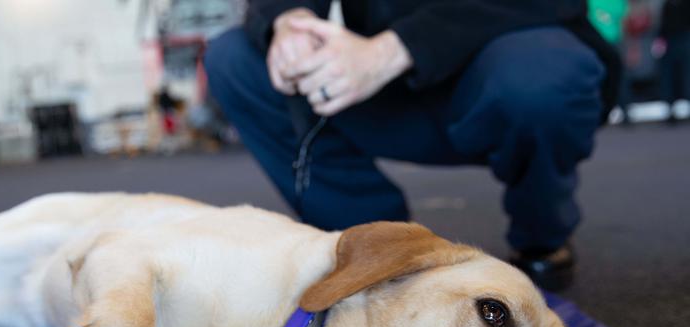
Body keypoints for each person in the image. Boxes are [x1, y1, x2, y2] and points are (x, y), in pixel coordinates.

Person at [204, 1, 622, 290]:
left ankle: (541, 234)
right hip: (388, 90)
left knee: (541, 83)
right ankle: (382, 245)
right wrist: (289, 22)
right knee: (235, 58)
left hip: (503, 73)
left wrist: (395, 49)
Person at [659, 0, 690, 122]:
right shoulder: (668, 4)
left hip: (683, 39)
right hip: (671, 41)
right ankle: (670, 109)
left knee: (685, 76)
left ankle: (677, 106)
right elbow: (663, 25)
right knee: (669, 77)